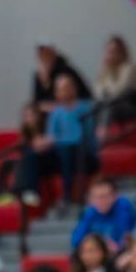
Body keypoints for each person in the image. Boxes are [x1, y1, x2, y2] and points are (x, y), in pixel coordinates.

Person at [45, 73, 97, 205]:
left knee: (78, 152)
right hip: (63, 149)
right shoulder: (56, 112)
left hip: (82, 147)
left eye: (67, 87)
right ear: (57, 92)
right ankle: (67, 195)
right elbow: (51, 135)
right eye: (61, 88)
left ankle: (81, 195)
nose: (65, 91)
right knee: (65, 153)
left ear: (74, 88)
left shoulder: (84, 107)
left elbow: (89, 131)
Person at [71, 176, 136, 251]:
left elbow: (123, 237)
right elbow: (75, 240)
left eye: (105, 196)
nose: (101, 201)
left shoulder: (123, 206)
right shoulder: (89, 211)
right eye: (96, 197)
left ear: (115, 196)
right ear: (90, 198)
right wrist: (101, 243)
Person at [94, 35, 136, 124]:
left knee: (111, 106)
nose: (110, 54)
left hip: (133, 106)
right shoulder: (105, 70)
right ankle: (96, 135)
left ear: (121, 52)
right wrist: (105, 70)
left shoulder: (130, 68)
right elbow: (97, 92)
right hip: (113, 104)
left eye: (113, 51)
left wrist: (106, 90)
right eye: (108, 51)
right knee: (95, 106)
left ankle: (104, 135)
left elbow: (119, 92)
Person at [32, 41, 91, 109]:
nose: (44, 57)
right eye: (41, 54)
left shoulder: (66, 70)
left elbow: (81, 97)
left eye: (46, 53)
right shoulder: (38, 75)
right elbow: (36, 102)